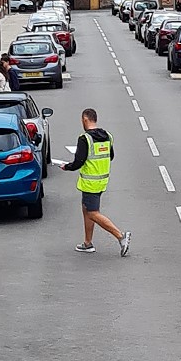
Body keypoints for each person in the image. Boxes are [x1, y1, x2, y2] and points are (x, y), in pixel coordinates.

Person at [61, 108, 131, 256]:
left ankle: (120, 236)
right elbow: (110, 156)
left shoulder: (85, 139)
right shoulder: (107, 136)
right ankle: (87, 243)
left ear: (85, 120)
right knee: (86, 210)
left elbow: (79, 162)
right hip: (102, 180)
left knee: (92, 213)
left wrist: (66, 167)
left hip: (90, 182)